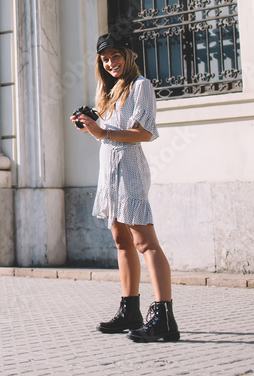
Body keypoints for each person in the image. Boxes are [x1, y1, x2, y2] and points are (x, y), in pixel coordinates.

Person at [70, 32, 179, 342]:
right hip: (110, 170)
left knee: (145, 241)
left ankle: (164, 317)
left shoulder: (140, 86)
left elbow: (143, 134)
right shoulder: (109, 90)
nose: (110, 62)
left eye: (115, 56)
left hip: (130, 170)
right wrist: (90, 126)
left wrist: (103, 133)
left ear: (128, 55)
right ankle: (130, 310)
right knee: (121, 240)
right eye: (105, 59)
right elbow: (107, 133)